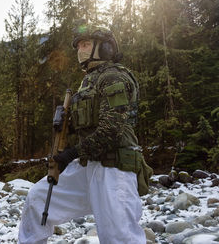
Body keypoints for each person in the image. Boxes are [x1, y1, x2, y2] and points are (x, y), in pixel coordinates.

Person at [18, 21, 152, 244]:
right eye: (78, 46)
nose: (80, 50)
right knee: (38, 198)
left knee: (119, 237)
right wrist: (65, 139)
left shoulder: (114, 77)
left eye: (86, 44)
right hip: (88, 165)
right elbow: (86, 127)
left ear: (105, 48)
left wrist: (71, 153)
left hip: (115, 169)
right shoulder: (88, 83)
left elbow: (111, 131)